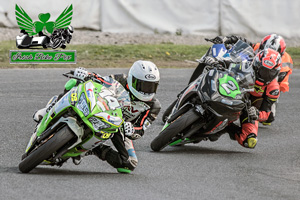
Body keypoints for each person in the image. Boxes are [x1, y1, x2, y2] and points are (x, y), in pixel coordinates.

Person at [33, 60, 161, 173]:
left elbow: (141, 129)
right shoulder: (119, 79)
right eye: (143, 85)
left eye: (151, 86)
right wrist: (87, 74)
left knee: (129, 164)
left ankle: (94, 149)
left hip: (120, 128)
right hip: (103, 110)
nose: (146, 90)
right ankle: (50, 109)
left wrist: (132, 130)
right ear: (132, 79)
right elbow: (101, 80)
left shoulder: (154, 106)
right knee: (75, 82)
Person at [225, 34, 293, 125]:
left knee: (268, 118)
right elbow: (246, 44)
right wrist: (233, 39)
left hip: (271, 84)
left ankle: (259, 111)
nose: (268, 54)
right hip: (253, 73)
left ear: (281, 54)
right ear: (262, 46)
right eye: (264, 49)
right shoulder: (258, 47)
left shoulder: (285, 63)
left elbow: (278, 82)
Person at [226, 48, 282, 148]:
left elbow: (267, 113)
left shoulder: (273, 88)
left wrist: (257, 114)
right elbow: (228, 61)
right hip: (229, 92)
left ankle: (226, 127)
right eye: (263, 70)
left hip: (248, 108)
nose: (265, 75)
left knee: (250, 141)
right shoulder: (245, 63)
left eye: (270, 73)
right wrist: (216, 61)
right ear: (256, 64)